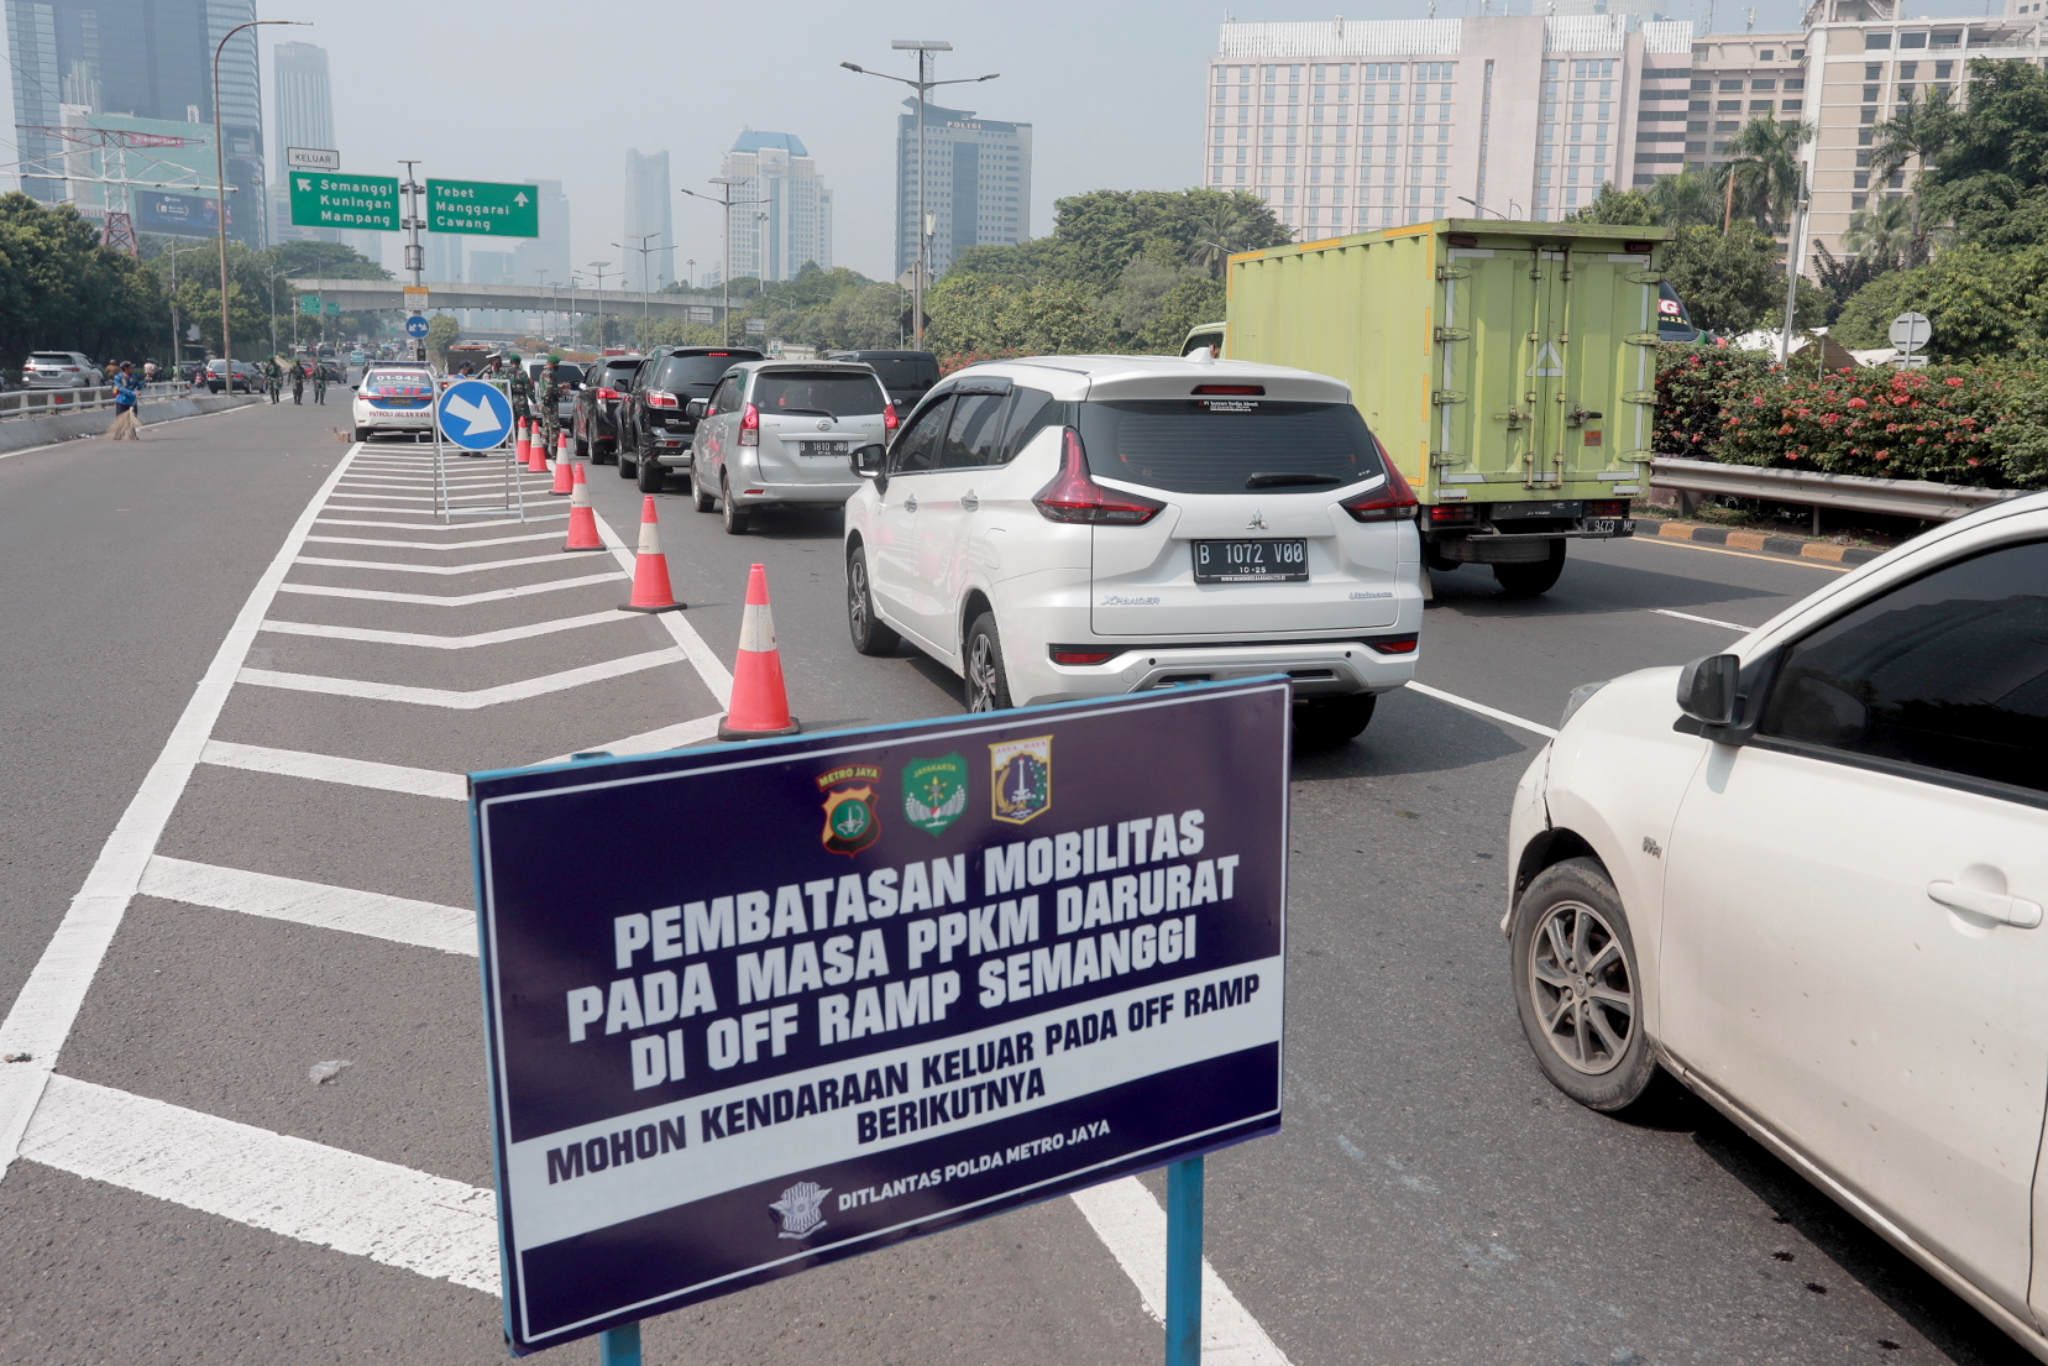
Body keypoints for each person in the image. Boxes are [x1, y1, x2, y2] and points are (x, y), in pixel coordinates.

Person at [106, 361, 143, 440]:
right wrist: (133, 392)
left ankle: (132, 435)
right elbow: (121, 389)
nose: (132, 369)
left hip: (132, 402)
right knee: (120, 420)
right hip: (122, 402)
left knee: (132, 419)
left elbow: (138, 386)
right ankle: (118, 434)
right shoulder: (118, 377)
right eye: (131, 367)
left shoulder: (134, 377)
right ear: (126, 369)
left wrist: (145, 381)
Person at [537, 355, 565, 455]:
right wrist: (561, 391)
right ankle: (554, 450)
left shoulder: (543, 372)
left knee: (546, 425)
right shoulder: (550, 373)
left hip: (545, 403)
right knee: (554, 426)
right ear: (552, 364)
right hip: (550, 404)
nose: (558, 366)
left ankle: (544, 449)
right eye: (557, 364)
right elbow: (549, 388)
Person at [503, 352, 531, 430]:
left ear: (511, 362)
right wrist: (534, 401)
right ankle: (526, 437)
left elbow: (504, 387)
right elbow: (528, 388)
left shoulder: (507, 373)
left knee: (513, 420)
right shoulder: (522, 373)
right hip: (521, 399)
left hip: (511, 399)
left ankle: (514, 438)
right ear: (519, 362)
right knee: (526, 420)